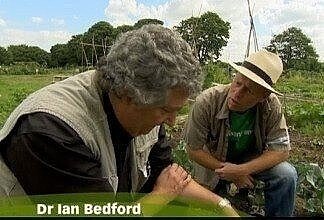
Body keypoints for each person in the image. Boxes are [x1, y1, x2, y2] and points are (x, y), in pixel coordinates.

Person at [0, 25, 238, 216]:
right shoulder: (52, 132)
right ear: (127, 94)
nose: (172, 121)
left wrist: (224, 207)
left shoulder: (145, 108)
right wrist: (161, 196)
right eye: (166, 110)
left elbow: (170, 176)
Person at [183, 50, 298, 217]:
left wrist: (241, 170)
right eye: (237, 83)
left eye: (249, 91)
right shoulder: (207, 101)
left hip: (250, 160)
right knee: (203, 210)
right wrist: (229, 173)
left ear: (263, 96)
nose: (237, 94)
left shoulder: (271, 105)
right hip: (213, 162)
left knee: (286, 175)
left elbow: (281, 150)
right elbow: (193, 149)